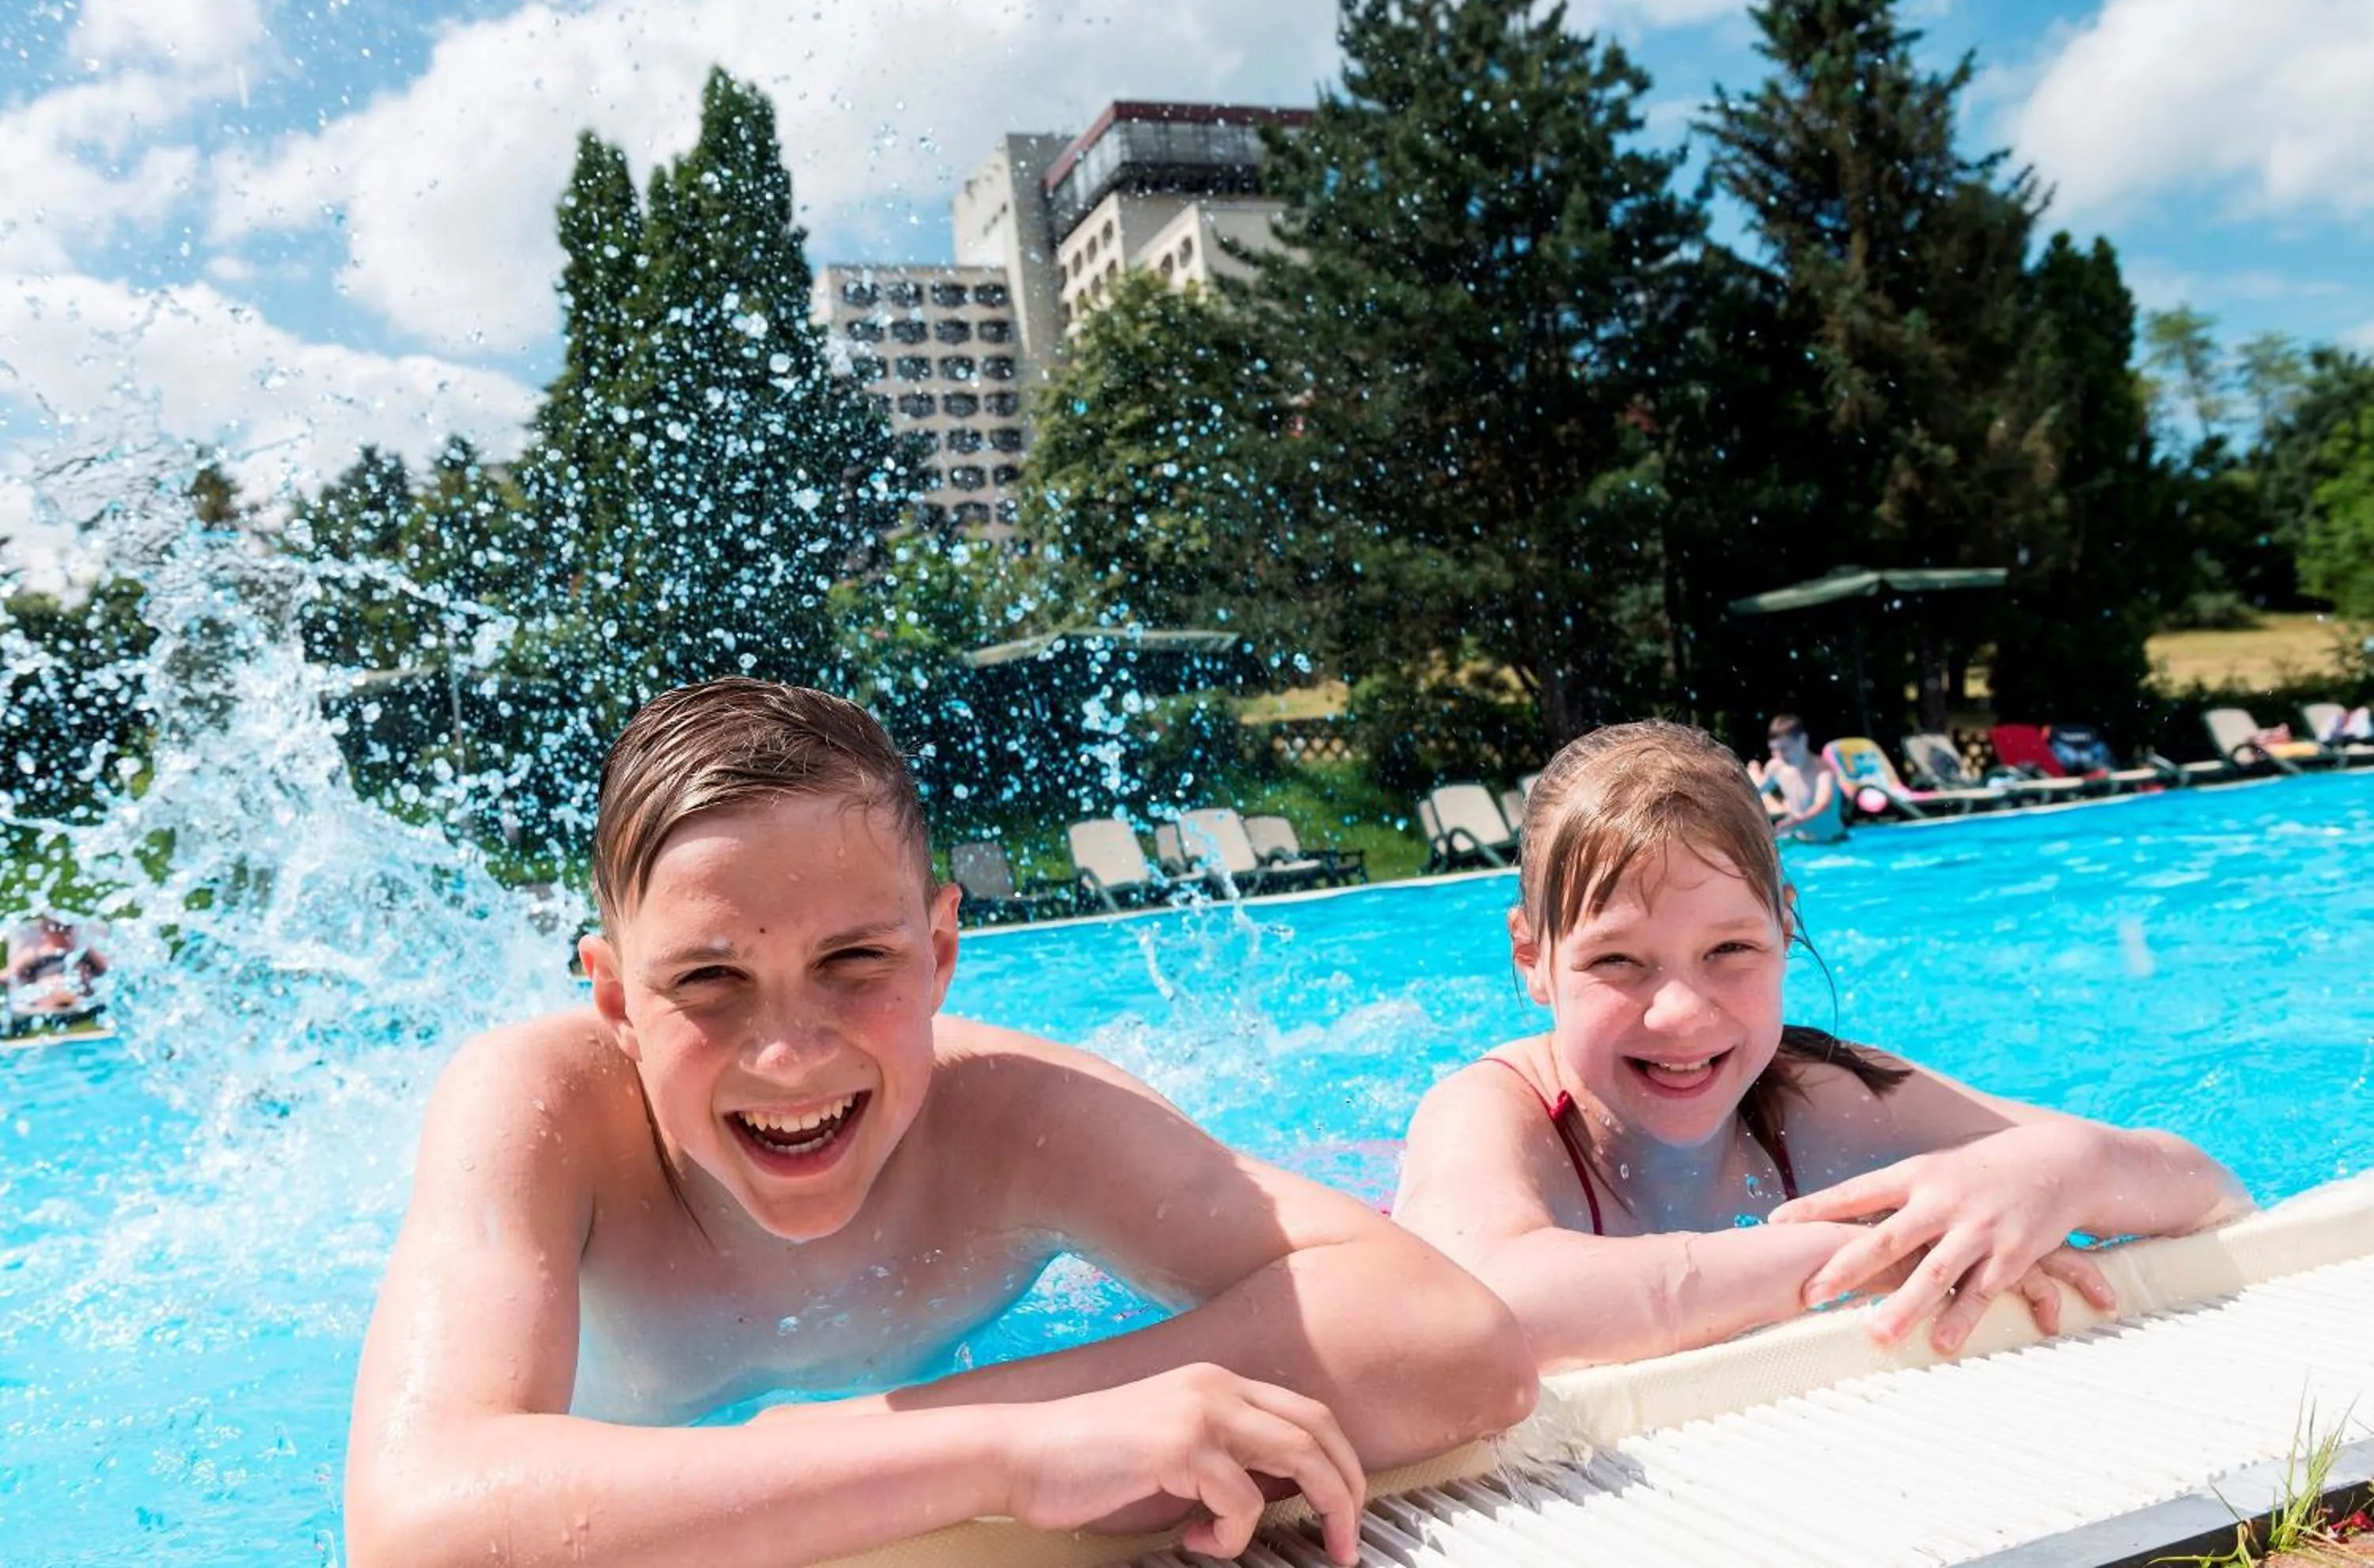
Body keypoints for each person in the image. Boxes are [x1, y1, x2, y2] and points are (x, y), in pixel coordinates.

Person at [344, 680, 1533, 1568]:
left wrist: (861, 1449)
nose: (790, 1053)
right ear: (614, 998)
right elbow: (417, 1520)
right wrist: (1010, 1446)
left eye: (854, 960)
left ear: (943, 951)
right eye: (708, 981)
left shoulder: (1016, 1118)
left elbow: (1449, 1335)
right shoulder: (538, 1113)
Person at [1393, 721, 2251, 1373]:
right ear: (1533, 957)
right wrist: (1867, 1256)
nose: (1683, 1014)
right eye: (1618, 961)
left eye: (1731, 950)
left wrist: (2064, 1171)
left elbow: (2209, 1189)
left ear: (1785, 926)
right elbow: (1478, 1309)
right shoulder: (1493, 1112)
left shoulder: (1815, 1098)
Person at [1746, 713, 1847, 843]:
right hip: (1800, 842)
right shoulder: (1776, 767)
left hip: (1833, 844)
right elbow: (1755, 792)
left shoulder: (1822, 770)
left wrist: (1797, 821)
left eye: (1784, 749)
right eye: (1774, 749)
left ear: (1803, 740)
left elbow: (1823, 804)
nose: (1779, 755)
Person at [4, 914, 110, 1029]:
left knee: (71, 982)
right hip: (45, 996)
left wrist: (90, 954)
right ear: (45, 931)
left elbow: (107, 970)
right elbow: (9, 974)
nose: (62, 932)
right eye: (55, 928)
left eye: (66, 928)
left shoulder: (82, 951)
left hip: (80, 995)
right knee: (51, 984)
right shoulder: (33, 954)